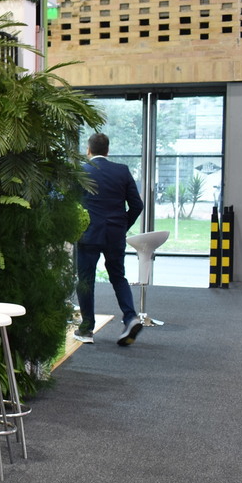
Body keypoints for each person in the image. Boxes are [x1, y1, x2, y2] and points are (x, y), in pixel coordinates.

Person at [75, 132, 144, 347]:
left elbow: (71, 203)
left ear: (88, 150)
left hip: (89, 234)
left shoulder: (82, 171)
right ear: (107, 150)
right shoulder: (122, 171)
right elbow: (137, 205)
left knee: (86, 280)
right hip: (115, 234)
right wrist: (122, 226)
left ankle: (87, 329)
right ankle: (130, 317)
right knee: (118, 276)